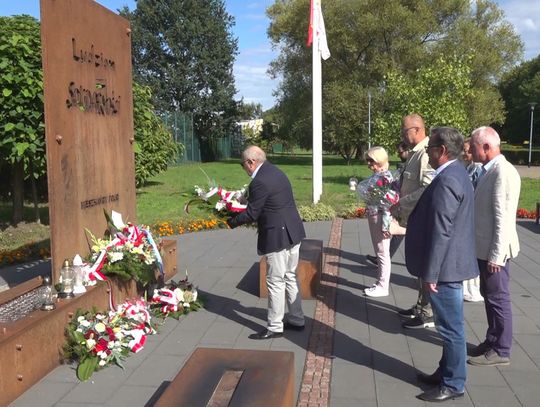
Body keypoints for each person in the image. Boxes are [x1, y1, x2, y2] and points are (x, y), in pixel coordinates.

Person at [406, 127, 478, 403]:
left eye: (430, 148)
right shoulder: (457, 172)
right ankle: (444, 372)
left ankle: (453, 383)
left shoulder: (448, 179)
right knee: (450, 325)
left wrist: (431, 273)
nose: (428, 152)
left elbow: (441, 230)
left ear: (442, 150)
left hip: (445, 267)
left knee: (450, 328)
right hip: (450, 263)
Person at [227, 146, 306, 340]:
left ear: (251, 162)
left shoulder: (260, 181)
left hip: (277, 236)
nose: (244, 169)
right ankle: (297, 319)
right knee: (289, 276)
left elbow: (253, 213)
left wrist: (229, 221)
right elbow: (264, 203)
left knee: (275, 280)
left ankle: (275, 326)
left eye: (242, 164)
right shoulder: (275, 171)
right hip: (292, 232)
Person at [467, 126, 521, 366]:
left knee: (498, 298)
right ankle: (492, 339)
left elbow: (504, 219)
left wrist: (496, 256)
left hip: (494, 251)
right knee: (489, 296)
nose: (469, 149)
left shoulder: (503, 173)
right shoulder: (489, 170)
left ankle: (502, 349)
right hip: (485, 248)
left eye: (473, 145)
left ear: (486, 147)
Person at [394, 114, 436, 329]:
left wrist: (401, 204)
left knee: (425, 268)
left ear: (417, 130)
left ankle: (428, 313)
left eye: (404, 130)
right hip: (414, 219)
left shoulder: (426, 153)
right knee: (420, 269)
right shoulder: (415, 153)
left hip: (423, 220)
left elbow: (427, 189)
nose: (402, 134)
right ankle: (421, 306)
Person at [360, 147, 397, 297]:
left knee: (382, 252)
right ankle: (380, 282)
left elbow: (390, 202)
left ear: (380, 160)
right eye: (368, 161)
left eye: (372, 161)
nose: (369, 164)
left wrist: (386, 224)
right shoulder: (379, 176)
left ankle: (383, 285)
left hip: (381, 217)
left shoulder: (385, 177)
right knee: (380, 251)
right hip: (376, 216)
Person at [461, 138, 484, 302]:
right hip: (466, 215)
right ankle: (467, 286)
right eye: (464, 150)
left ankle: (473, 289)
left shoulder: (476, 169)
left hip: (472, 216)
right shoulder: (466, 167)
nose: (465, 153)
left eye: (468, 150)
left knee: (471, 253)